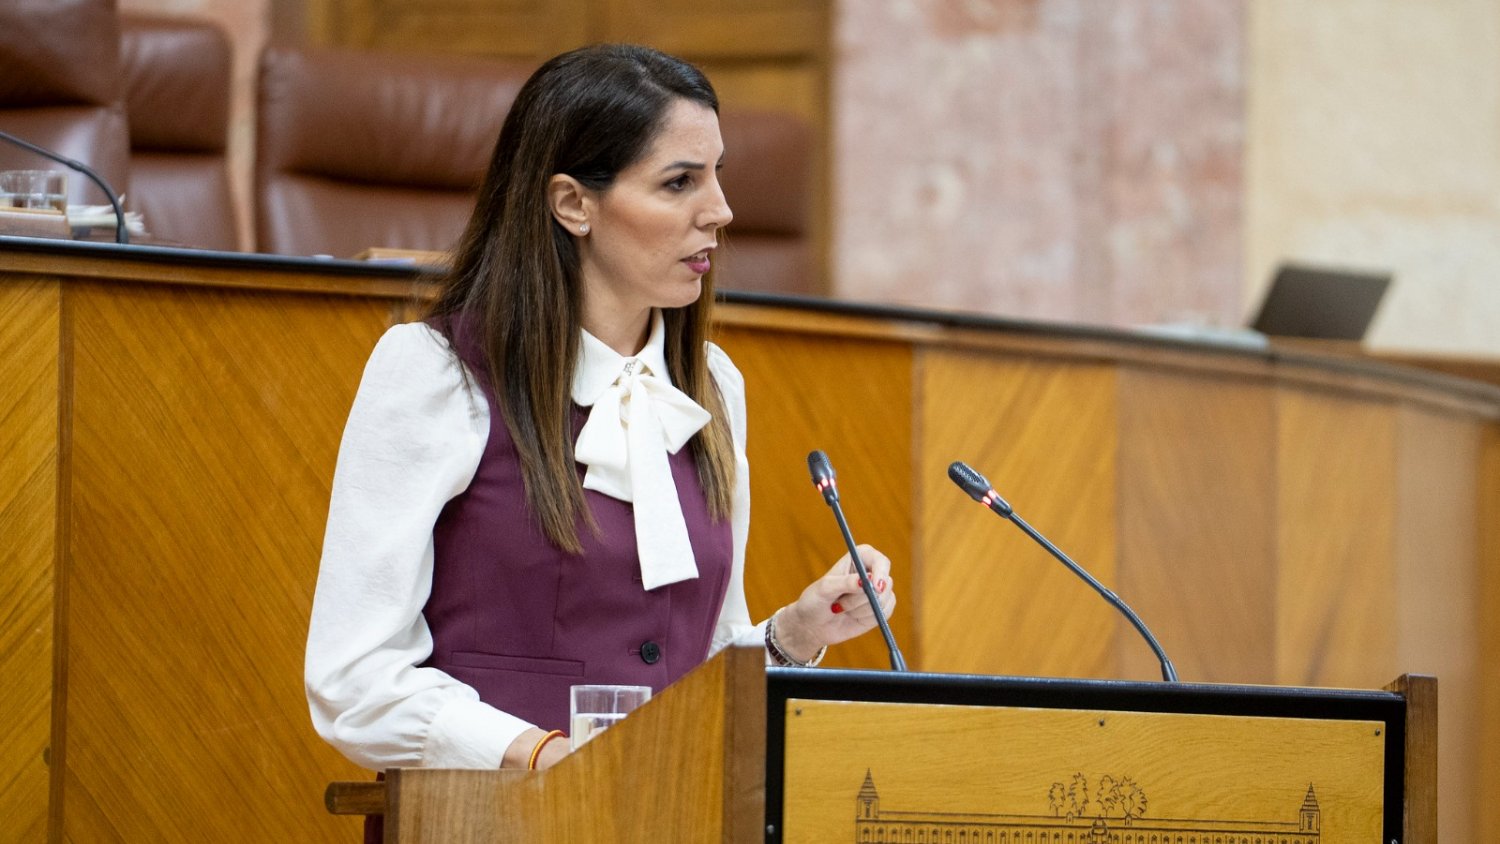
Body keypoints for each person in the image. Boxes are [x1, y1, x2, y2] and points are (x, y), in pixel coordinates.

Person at [304, 43, 898, 781]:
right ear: (572, 204)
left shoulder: (709, 387)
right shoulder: (435, 373)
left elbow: (698, 665)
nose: (721, 210)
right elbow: (354, 682)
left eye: (718, 175)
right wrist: (550, 759)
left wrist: (795, 634)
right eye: (679, 181)